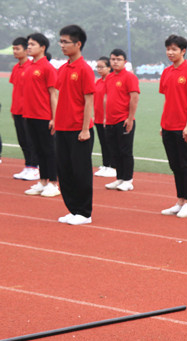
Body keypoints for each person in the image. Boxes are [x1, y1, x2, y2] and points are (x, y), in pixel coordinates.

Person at [54, 25, 95, 225]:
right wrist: (54, 119)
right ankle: (73, 209)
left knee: (80, 171)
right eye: (60, 41)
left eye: (65, 42)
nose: (62, 45)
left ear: (78, 44)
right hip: (61, 127)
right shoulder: (62, 69)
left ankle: (84, 212)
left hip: (79, 129)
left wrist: (85, 128)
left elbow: (89, 100)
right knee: (65, 171)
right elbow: (60, 97)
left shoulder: (84, 69)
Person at [159, 34, 187, 219]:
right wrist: (163, 123)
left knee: (186, 164)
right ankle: (180, 201)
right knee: (175, 165)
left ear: (183, 51)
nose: (170, 52)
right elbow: (167, 99)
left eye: (174, 49)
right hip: (168, 125)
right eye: (168, 49)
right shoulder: (167, 72)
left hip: (184, 126)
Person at [22, 33, 58, 197]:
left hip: (44, 116)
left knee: (48, 150)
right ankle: (43, 180)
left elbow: (53, 94)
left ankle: (53, 182)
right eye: (28, 44)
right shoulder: (29, 66)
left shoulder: (47, 68)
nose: (28, 47)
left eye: (32, 44)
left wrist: (54, 117)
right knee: (37, 149)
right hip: (30, 115)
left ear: (42, 47)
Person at [103, 48, 140, 191]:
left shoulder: (130, 77)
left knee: (125, 151)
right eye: (112, 59)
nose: (115, 62)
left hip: (124, 120)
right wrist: (106, 117)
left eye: (118, 59)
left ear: (124, 61)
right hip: (111, 120)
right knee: (114, 151)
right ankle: (119, 178)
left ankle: (128, 179)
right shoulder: (110, 77)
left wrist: (130, 118)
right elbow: (106, 97)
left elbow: (134, 98)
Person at [9, 36, 39, 180]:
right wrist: (12, 108)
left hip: (28, 110)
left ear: (26, 50)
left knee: (30, 139)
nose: (15, 51)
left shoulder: (31, 67)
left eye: (17, 49)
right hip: (17, 109)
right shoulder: (16, 68)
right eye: (13, 49)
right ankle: (28, 165)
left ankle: (35, 166)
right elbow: (16, 89)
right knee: (22, 139)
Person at [93, 56, 115, 180]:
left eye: (102, 67)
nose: (99, 69)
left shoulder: (110, 81)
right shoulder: (98, 81)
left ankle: (112, 165)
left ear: (109, 68)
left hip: (108, 117)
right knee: (103, 142)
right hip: (98, 117)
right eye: (98, 67)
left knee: (109, 142)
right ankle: (106, 164)